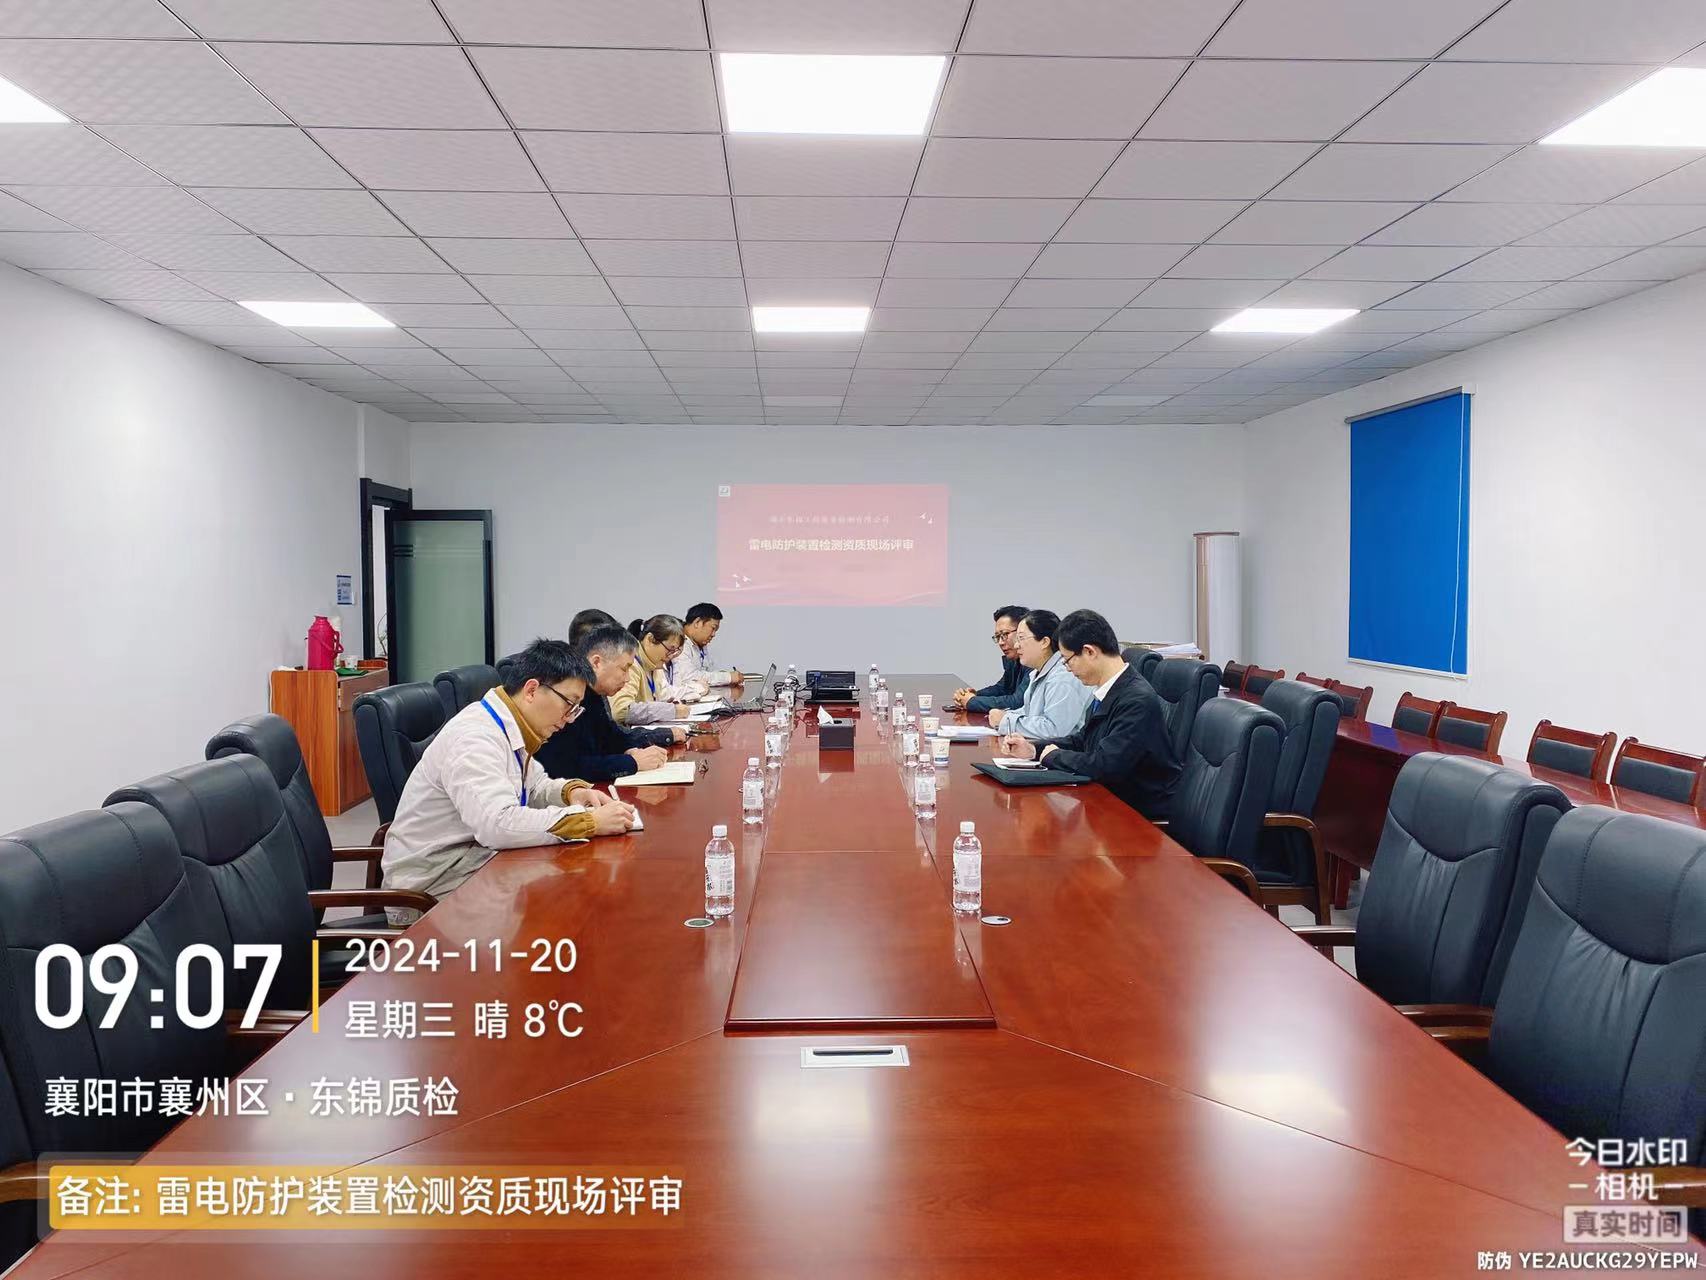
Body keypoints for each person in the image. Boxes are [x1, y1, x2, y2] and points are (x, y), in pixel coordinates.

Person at [381, 638, 637, 921]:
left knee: (576, 890)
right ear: (532, 690)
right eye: (569, 704)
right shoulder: (475, 738)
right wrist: (588, 821)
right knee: (571, 904)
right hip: (433, 888)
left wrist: (572, 792)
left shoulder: (509, 725)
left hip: (477, 862)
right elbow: (498, 824)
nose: (569, 718)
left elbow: (535, 787)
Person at [997, 609, 1180, 820]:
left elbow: (1105, 765)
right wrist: (1033, 749)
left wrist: (1054, 756)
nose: (1067, 669)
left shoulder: (1136, 700)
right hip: (1110, 801)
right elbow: (1083, 740)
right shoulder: (1109, 689)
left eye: (1067, 660)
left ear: (1090, 652)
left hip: (1136, 814)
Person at [535, 612, 681, 782]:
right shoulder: (562, 692)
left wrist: (629, 751)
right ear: (596, 662)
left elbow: (610, 737)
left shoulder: (594, 693)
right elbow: (563, 767)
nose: (627, 678)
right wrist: (631, 762)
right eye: (624, 669)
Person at [987, 609, 1094, 740]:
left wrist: (1006, 721)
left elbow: (1054, 730)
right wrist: (1004, 715)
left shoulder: (1063, 676)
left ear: (1044, 642)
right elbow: (1029, 712)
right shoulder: (1039, 672)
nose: (1016, 645)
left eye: (1021, 638)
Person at [612, 614, 701, 725]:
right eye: (670, 649)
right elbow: (621, 710)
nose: (671, 656)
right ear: (650, 639)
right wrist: (670, 711)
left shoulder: (655, 665)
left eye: (675, 652)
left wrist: (665, 704)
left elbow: (659, 697)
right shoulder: (631, 663)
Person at [951, 605, 1030, 712]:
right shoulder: (1014, 660)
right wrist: (974, 695)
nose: (1001, 642)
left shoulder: (1032, 662)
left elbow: (1016, 702)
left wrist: (972, 701)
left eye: (1005, 634)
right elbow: (1002, 688)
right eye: (997, 637)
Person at [669, 602, 741, 689]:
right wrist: (728, 677)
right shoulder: (677, 641)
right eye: (713, 628)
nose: (713, 634)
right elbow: (690, 678)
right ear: (697, 622)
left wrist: (725, 676)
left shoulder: (699, 643)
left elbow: (708, 671)